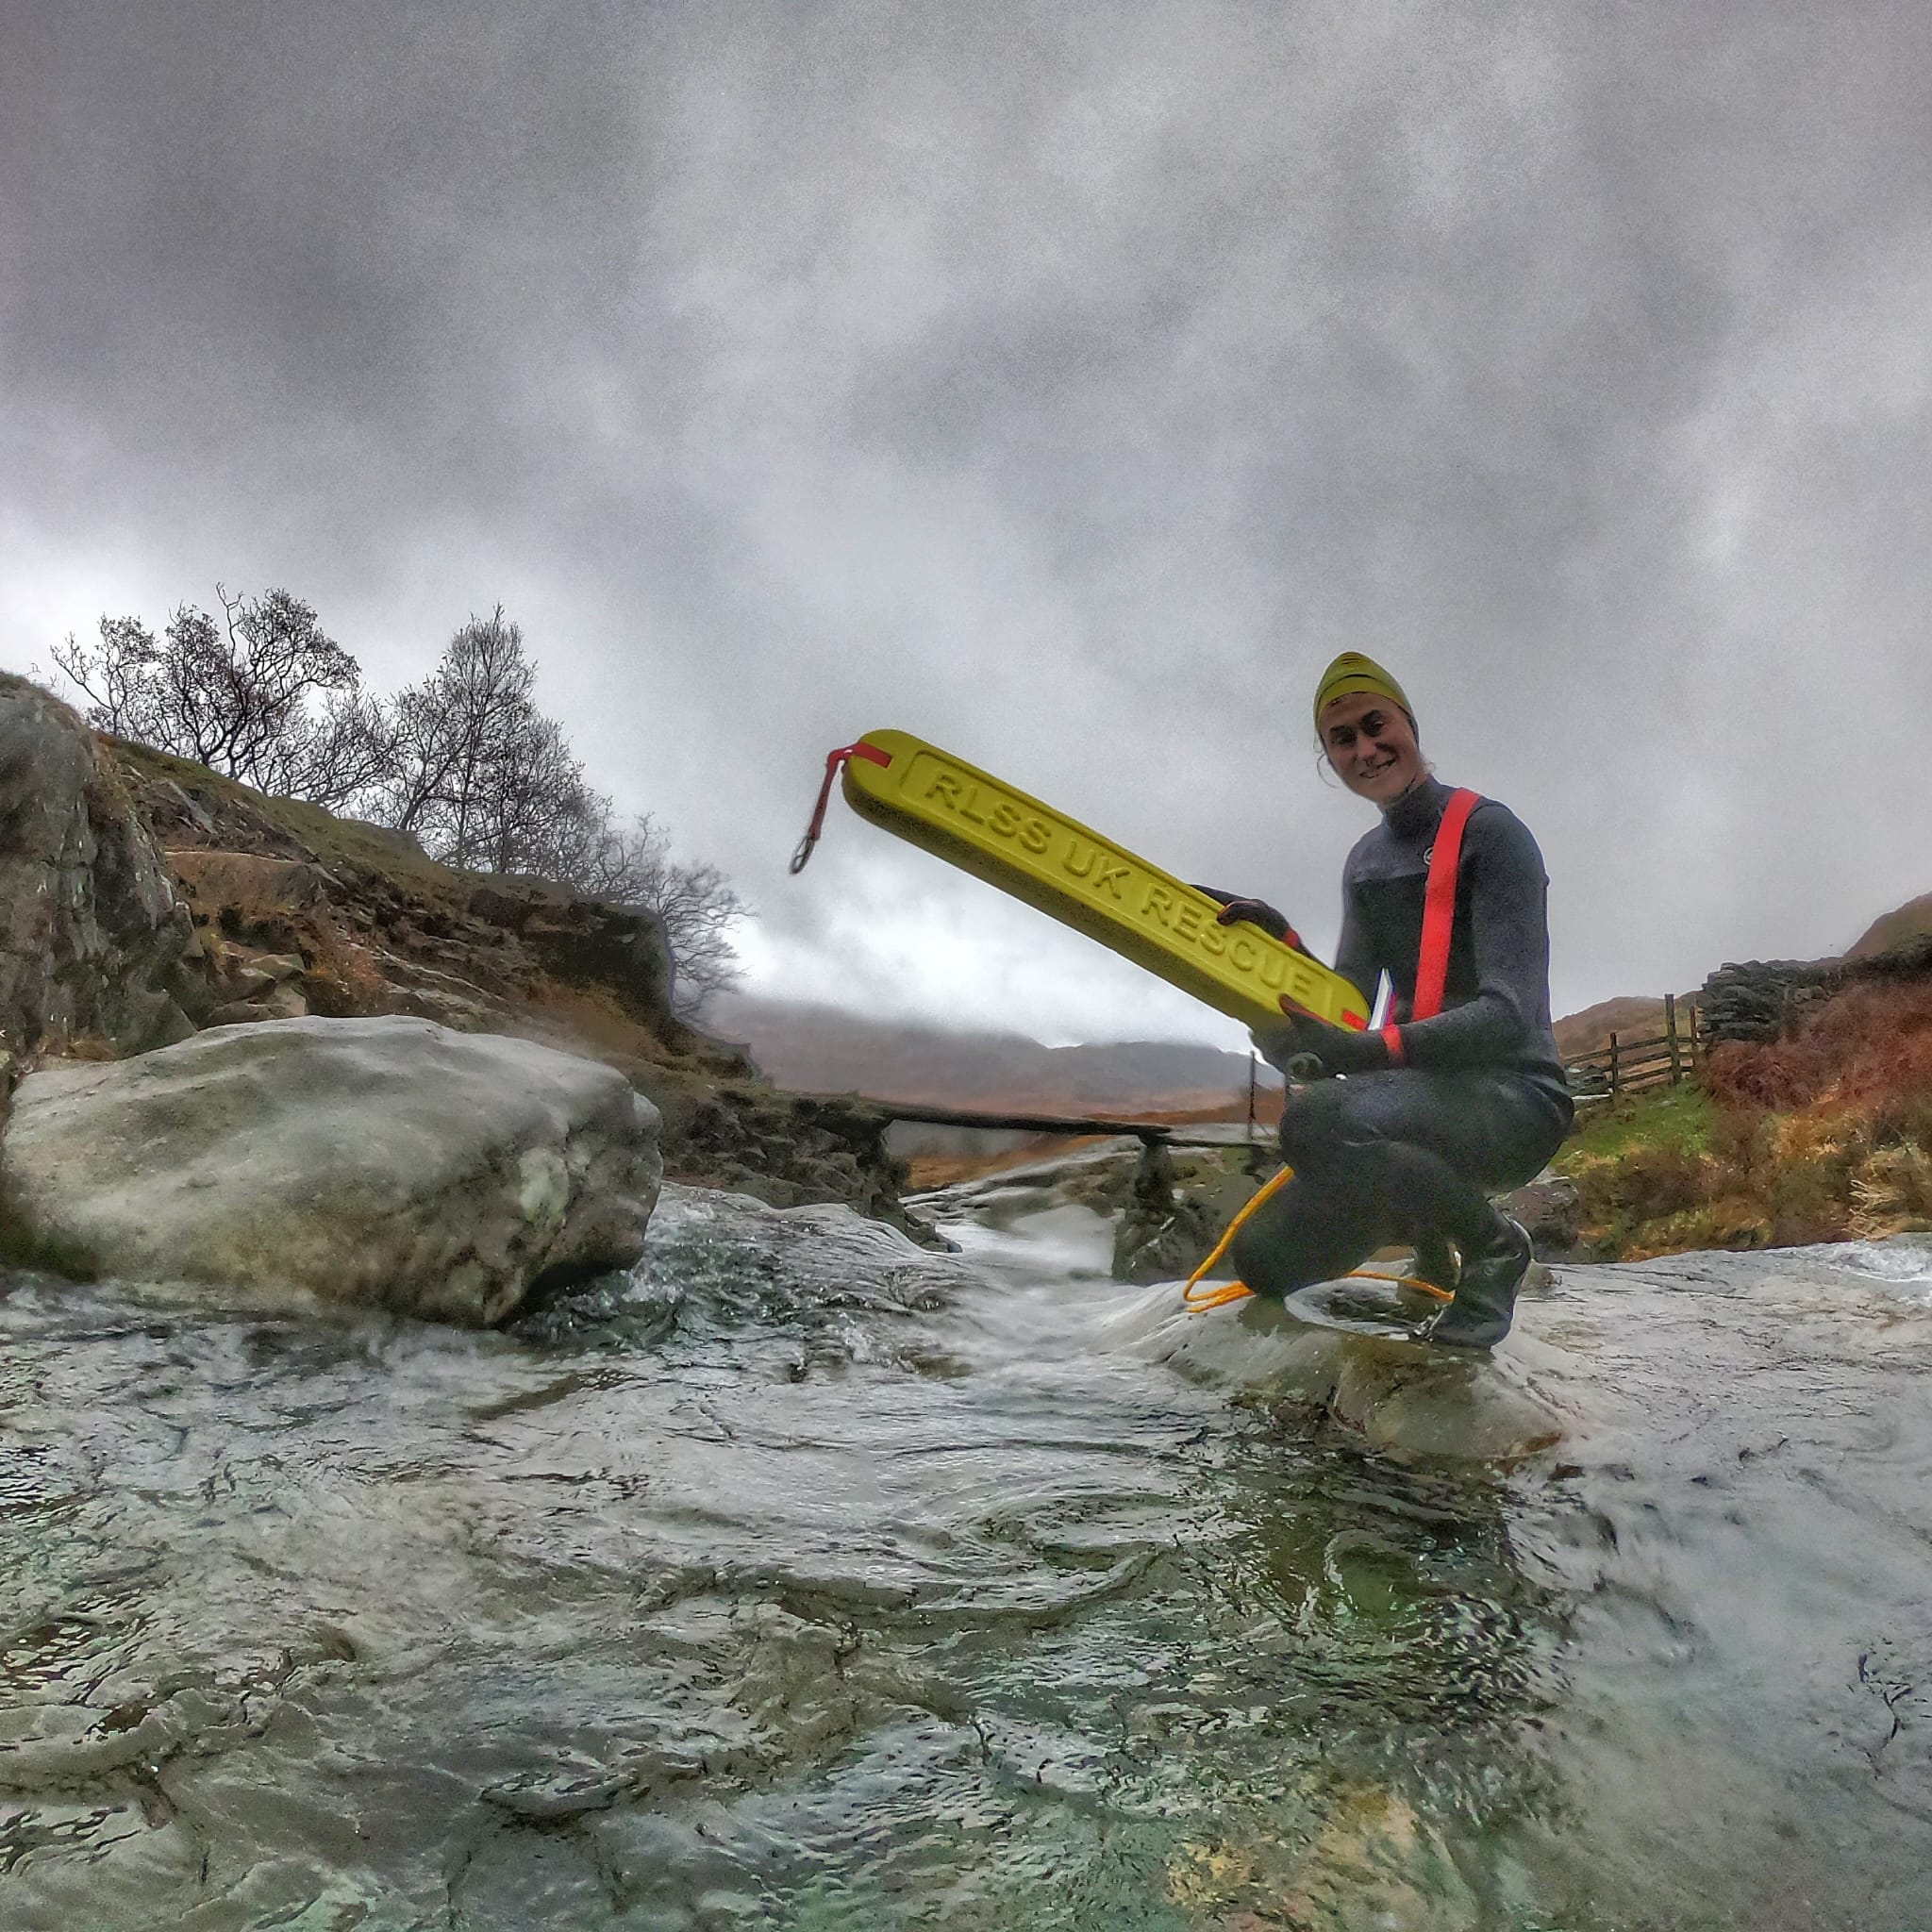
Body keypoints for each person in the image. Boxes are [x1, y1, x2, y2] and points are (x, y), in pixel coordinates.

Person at [1203, 652, 1573, 1349]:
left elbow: (1507, 1014)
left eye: (1376, 726)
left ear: (1408, 724)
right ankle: (1429, 1229)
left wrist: (1365, 1053)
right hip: (1416, 1102)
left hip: (1513, 1100)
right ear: (1330, 759)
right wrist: (1275, 946)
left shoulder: (1494, 835)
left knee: (1315, 1125)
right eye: (1343, 739)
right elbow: (1345, 1014)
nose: (1366, 749)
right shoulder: (1365, 864)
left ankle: (1492, 1249)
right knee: (1262, 1262)